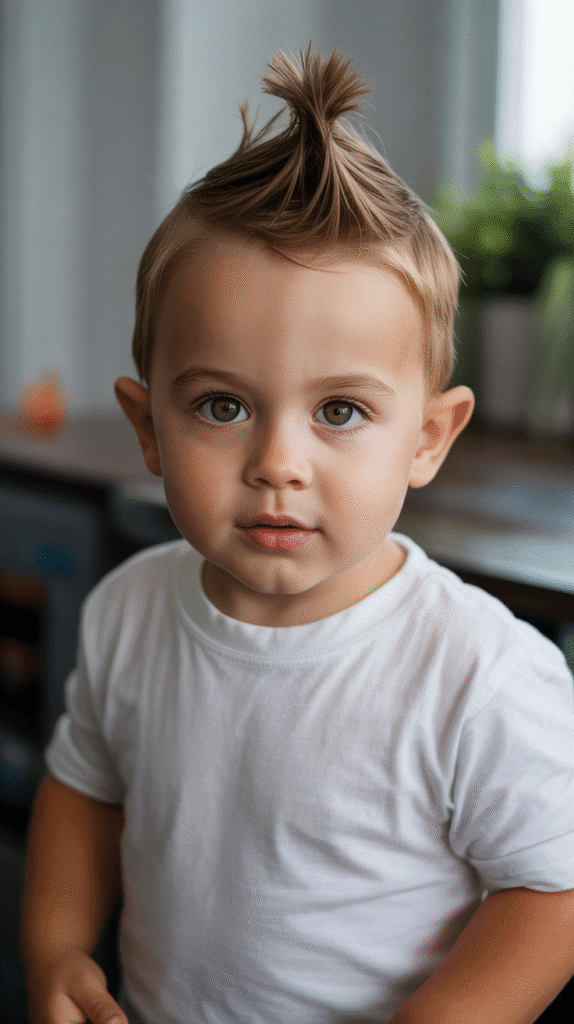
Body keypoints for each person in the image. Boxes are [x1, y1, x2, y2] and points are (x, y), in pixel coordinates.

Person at [20, 45, 574, 1024]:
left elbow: (554, 890)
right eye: (224, 406)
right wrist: (57, 947)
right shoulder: (127, 611)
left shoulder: (477, 673)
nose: (279, 462)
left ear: (428, 437)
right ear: (148, 427)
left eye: (341, 412)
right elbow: (83, 784)